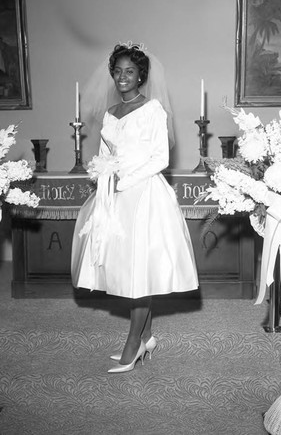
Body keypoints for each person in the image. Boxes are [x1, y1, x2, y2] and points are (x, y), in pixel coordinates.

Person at [71, 42, 198, 373]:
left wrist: (124, 178)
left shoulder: (153, 110)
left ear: (141, 75)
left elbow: (161, 158)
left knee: (139, 271)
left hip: (143, 196)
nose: (122, 77)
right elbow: (103, 154)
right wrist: (105, 176)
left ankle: (133, 343)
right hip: (115, 197)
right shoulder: (110, 114)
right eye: (118, 71)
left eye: (130, 71)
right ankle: (148, 335)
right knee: (129, 268)